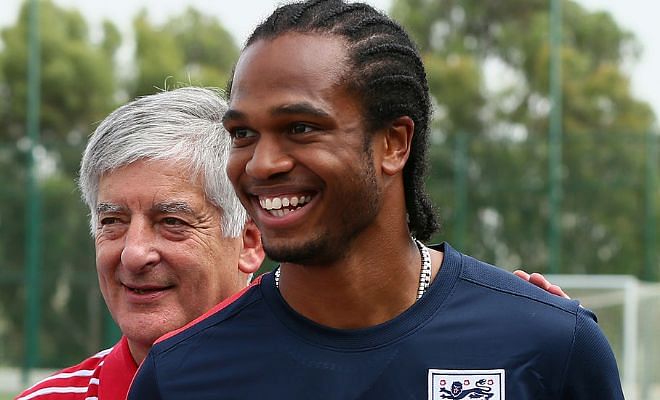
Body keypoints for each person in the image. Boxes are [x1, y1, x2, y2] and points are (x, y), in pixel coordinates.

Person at [128, 1, 624, 399]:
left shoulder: (549, 344)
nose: (260, 164)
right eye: (242, 134)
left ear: (394, 143)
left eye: (300, 128)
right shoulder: (179, 376)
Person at [15, 87, 264, 400]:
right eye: (113, 221)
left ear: (249, 242)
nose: (133, 254)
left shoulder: (321, 386)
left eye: (171, 222)